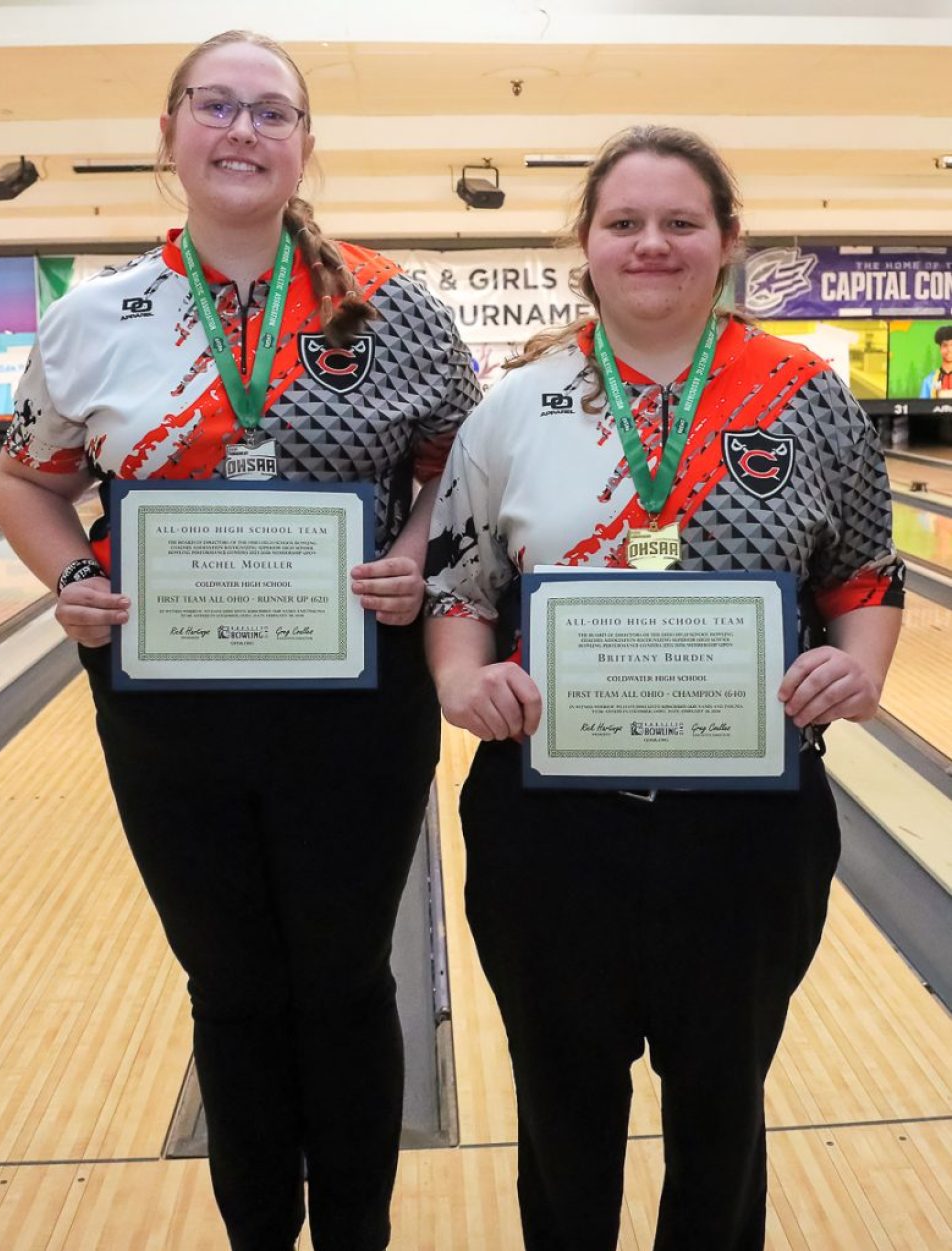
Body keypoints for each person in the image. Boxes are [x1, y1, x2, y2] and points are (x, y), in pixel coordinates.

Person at [0, 30, 479, 1251]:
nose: (243, 130)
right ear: (169, 134)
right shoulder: (96, 317)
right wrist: (76, 577)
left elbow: (465, 473)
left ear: (306, 143)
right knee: (231, 985)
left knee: (345, 979)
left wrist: (414, 551)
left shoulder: (394, 307)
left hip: (355, 703)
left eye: (271, 111)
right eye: (216, 106)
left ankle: (355, 1235)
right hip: (168, 709)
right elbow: (28, 481)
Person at [424, 126, 904, 1251]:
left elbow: (867, 572)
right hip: (550, 825)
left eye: (681, 222)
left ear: (728, 240)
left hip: (748, 828)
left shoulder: (803, 394)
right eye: (625, 223)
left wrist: (862, 664)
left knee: (722, 1108)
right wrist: (459, 678)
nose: (652, 244)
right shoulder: (519, 403)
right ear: (585, 244)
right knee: (562, 1108)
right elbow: (458, 582)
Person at [919, 324, 952, 398]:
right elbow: (922, 404)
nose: (949, 350)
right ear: (940, 348)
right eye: (945, 345)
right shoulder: (929, 380)